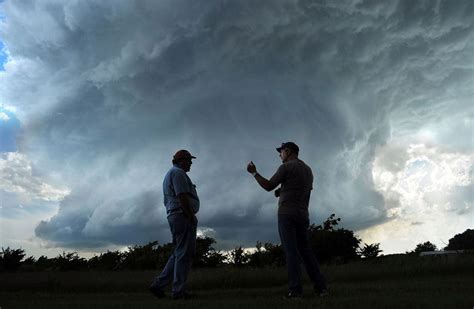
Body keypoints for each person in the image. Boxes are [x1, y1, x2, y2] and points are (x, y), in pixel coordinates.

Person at [247, 142, 327, 298]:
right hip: (303, 215)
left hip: (287, 215)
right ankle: (321, 288)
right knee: (306, 252)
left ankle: (295, 291)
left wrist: (254, 173)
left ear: (288, 151)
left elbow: (269, 186)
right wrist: (282, 190)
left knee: (291, 253)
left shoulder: (286, 167)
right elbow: (300, 190)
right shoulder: (308, 170)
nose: (279, 155)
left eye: (281, 152)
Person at [150, 149, 200, 300]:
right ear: (181, 161)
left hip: (177, 215)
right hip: (181, 215)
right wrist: (190, 215)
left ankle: (159, 285)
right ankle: (178, 292)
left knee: (179, 253)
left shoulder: (173, 173)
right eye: (188, 160)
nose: (191, 163)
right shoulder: (178, 173)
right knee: (184, 254)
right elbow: (182, 196)